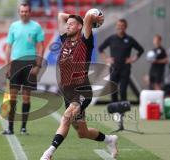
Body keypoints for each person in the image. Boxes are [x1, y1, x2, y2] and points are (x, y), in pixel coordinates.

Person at [40, 12, 118, 160]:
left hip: (82, 90)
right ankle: (110, 139)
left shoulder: (85, 42)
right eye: (67, 23)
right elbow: (60, 15)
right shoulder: (65, 39)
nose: (67, 24)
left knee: (66, 118)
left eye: (72, 23)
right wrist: (72, 18)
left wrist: (94, 17)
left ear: (80, 27)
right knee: (83, 133)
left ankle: (48, 153)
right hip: (68, 93)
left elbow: (88, 16)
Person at [2, 2, 45, 135]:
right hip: (15, 64)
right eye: (22, 11)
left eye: (26, 11)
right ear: (19, 12)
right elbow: (8, 46)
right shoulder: (14, 26)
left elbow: (41, 46)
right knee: (13, 97)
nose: (24, 13)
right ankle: (10, 128)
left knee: (26, 97)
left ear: (29, 12)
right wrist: (7, 64)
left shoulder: (36, 27)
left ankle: (23, 128)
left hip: (30, 64)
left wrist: (38, 65)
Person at [99, 19, 144, 102]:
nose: (120, 27)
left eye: (122, 26)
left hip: (125, 68)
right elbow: (100, 48)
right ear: (116, 26)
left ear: (125, 27)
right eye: (118, 25)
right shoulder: (111, 38)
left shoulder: (129, 39)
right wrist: (106, 59)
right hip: (114, 68)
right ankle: (115, 110)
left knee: (123, 90)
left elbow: (141, 50)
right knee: (113, 91)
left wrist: (133, 59)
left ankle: (122, 110)